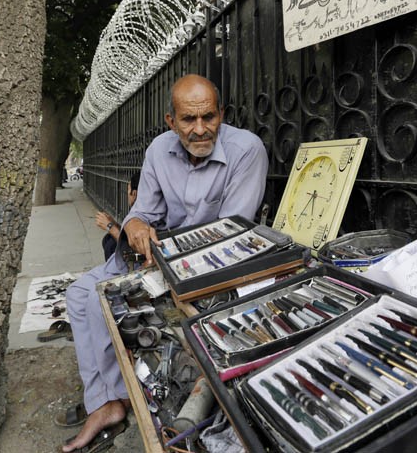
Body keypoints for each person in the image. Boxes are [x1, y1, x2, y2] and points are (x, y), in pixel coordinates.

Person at [62, 74, 268, 452]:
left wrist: (161, 251)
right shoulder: (159, 150)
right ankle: (108, 400)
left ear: (221, 114)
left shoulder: (246, 150)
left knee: (98, 299)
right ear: (171, 121)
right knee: (77, 294)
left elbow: (231, 233)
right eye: (188, 120)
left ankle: (119, 398)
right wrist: (135, 224)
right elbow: (143, 211)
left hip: (208, 267)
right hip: (158, 256)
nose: (200, 129)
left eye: (208, 117)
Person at [94, 170, 140, 261]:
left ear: (134, 193)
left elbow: (135, 246)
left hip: (135, 262)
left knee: (111, 243)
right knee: (108, 239)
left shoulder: (145, 215)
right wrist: (114, 224)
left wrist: (110, 227)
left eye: (128, 189)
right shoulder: (136, 212)